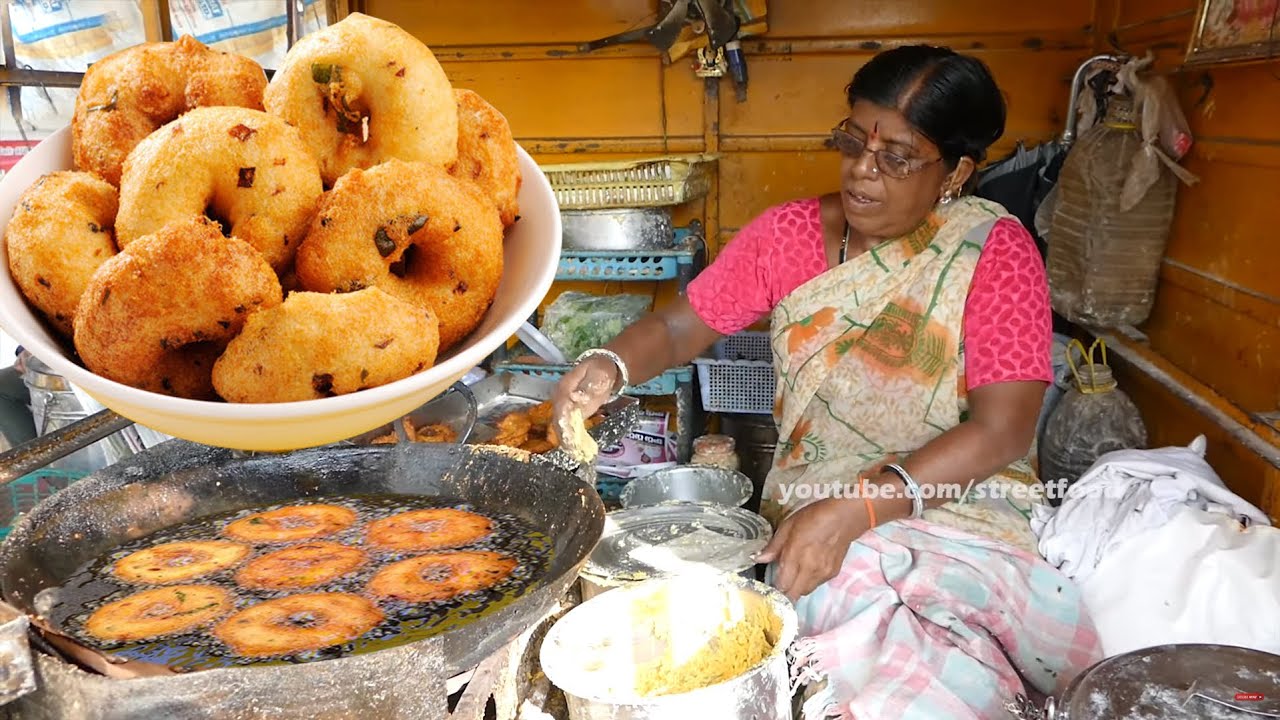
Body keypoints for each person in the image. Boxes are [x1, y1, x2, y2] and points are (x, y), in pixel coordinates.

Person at [552, 45, 1101, 718]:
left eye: (897, 158)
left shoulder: (993, 252)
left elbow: (1003, 428)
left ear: (956, 170)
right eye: (853, 144)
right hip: (817, 494)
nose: (862, 173)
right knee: (839, 613)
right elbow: (676, 330)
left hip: (957, 502)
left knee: (944, 650)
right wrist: (610, 363)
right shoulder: (787, 237)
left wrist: (859, 511)